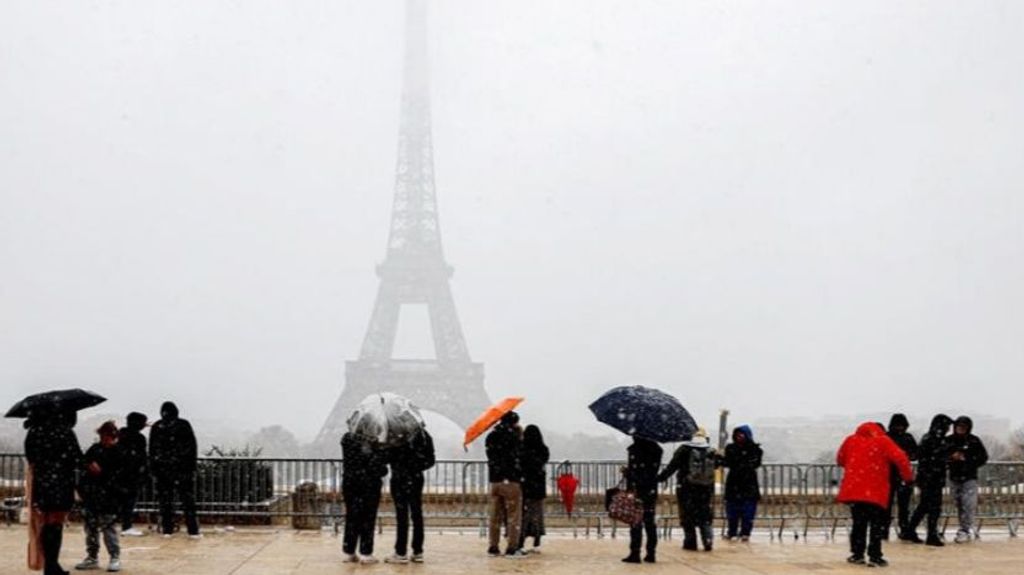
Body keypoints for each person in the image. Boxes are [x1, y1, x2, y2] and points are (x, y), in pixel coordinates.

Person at [836, 422, 913, 568]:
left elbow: (840, 459)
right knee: (876, 524)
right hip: (876, 490)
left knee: (858, 523)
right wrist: (907, 478)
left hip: (855, 490)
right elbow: (901, 458)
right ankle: (875, 556)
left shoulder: (851, 440)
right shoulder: (883, 441)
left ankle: (857, 554)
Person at [25, 409, 83, 575]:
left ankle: (49, 564)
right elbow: (76, 457)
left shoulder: (34, 431)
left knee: (46, 520)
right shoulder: (65, 432)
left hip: (42, 480)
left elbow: (31, 456)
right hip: (61, 480)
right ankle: (52, 564)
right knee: (56, 522)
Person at [75, 421, 126, 572]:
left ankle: (114, 556)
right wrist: (88, 466)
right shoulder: (95, 449)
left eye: (107, 436)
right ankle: (92, 556)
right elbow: (83, 463)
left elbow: (120, 476)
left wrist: (101, 472)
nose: (104, 439)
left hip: (108, 495)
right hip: (92, 494)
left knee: (108, 527)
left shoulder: (119, 452)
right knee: (91, 528)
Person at [658, 428, 715, 552]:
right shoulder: (710, 450)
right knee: (704, 514)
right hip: (705, 488)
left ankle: (690, 542)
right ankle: (708, 539)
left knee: (687, 514)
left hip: (686, 487)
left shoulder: (684, 449)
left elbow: (672, 466)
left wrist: (660, 478)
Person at [148, 401, 200, 538]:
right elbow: (192, 447)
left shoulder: (157, 426)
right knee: (187, 501)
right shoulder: (183, 425)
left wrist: (155, 467)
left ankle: (167, 529)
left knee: (165, 502)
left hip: (163, 471)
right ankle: (193, 529)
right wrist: (189, 466)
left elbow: (152, 450)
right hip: (182, 470)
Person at [384, 428, 435, 564]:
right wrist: (416, 466)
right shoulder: (424, 436)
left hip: (399, 478)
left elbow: (386, 458)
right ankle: (418, 551)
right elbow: (430, 460)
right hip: (416, 478)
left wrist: (398, 461)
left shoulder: (395, 435)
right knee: (417, 514)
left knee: (402, 516)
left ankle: (401, 552)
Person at [904, 414, 953, 546]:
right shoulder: (934, 439)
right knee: (932, 507)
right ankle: (930, 534)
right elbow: (931, 457)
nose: (948, 429)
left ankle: (912, 530)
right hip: (931, 478)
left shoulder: (931, 438)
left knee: (925, 506)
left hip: (929, 477)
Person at [341, 431, 388, 564]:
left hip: (350, 483)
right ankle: (366, 552)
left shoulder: (347, 438)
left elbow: (352, 460)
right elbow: (379, 469)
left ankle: (349, 551)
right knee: (368, 518)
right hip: (369, 485)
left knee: (351, 517)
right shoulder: (375, 445)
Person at [485, 411, 525, 558]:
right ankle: (511, 547)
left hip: (495, 480)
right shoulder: (516, 437)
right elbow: (521, 457)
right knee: (513, 516)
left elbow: (490, 456)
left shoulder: (491, 436)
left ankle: (493, 546)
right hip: (512, 480)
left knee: (495, 515)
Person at [947, 415, 989, 543]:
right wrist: (951, 457)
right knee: (959, 503)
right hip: (954, 477)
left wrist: (967, 460)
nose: (961, 429)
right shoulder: (949, 440)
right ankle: (964, 527)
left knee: (968, 504)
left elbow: (983, 457)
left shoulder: (974, 441)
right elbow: (940, 455)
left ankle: (965, 529)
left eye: (963, 427)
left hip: (969, 477)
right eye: (959, 426)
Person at [624, 436, 663, 563]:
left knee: (635, 522)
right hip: (650, 490)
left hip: (637, 491)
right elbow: (651, 472)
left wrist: (627, 473)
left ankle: (635, 553)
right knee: (649, 522)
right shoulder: (656, 450)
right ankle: (651, 553)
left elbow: (637, 474)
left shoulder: (636, 450)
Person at [721, 425, 763, 542]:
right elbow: (728, 462)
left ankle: (745, 533)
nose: (739, 437)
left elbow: (753, 463)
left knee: (747, 513)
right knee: (732, 512)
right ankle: (732, 532)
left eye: (741, 435)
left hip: (747, 484)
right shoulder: (731, 448)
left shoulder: (755, 450)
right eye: (737, 435)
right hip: (736, 484)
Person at [883, 414, 918, 540]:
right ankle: (903, 529)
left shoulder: (886, 437)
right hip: (902, 474)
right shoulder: (907, 438)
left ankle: (885, 529)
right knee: (903, 506)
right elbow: (915, 454)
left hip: (890, 475)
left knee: (889, 505)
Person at [519, 425, 550, 554]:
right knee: (537, 513)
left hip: (525, 485)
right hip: (538, 486)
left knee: (524, 515)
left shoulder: (522, 448)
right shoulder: (543, 449)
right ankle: (537, 538)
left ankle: (521, 538)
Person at [117, 412, 148, 537]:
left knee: (119, 500)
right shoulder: (139, 438)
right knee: (129, 501)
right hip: (132, 474)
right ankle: (127, 526)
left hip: (119, 473)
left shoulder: (120, 435)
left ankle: (111, 524)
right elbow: (142, 457)